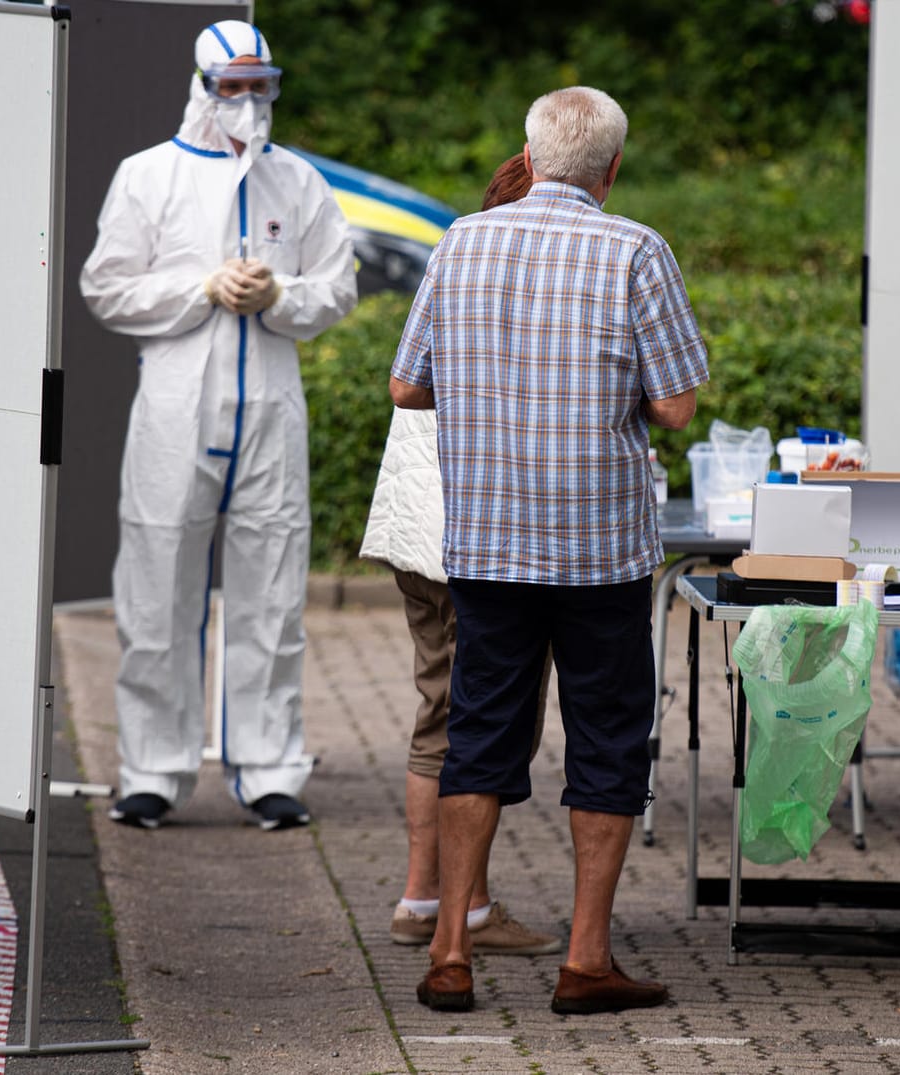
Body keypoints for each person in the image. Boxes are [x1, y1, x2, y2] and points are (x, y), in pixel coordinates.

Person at [389, 87, 708, 1014]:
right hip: (599, 549)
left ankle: (450, 948)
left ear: (526, 160)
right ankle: (586, 959)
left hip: (486, 543)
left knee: (478, 735)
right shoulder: (635, 248)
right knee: (607, 741)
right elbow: (677, 404)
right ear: (612, 169)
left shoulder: (459, 242)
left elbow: (408, 387)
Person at [80, 20, 357, 832]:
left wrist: (281, 297)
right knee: (158, 586)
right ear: (200, 85)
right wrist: (201, 288)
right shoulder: (148, 177)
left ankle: (269, 767)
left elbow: (336, 286)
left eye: (259, 85)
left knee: (271, 591)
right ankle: (153, 771)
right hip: (175, 408)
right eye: (231, 86)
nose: (247, 102)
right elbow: (108, 288)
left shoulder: (297, 182)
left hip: (270, 408)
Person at [359, 153, 559, 958]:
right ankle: (452, 906)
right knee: (469, 718)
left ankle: (431, 899)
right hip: (463, 535)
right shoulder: (507, 274)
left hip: (424, 526)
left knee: (446, 708)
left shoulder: (460, 260)